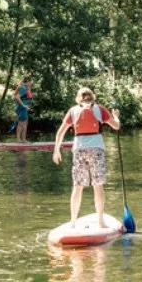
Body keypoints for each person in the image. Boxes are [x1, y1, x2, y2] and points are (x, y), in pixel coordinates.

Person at [52, 85, 121, 227]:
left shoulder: (73, 111)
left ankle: (72, 223)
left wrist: (56, 150)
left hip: (79, 150)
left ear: (79, 99)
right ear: (93, 98)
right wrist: (116, 117)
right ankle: (101, 222)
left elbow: (60, 132)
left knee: (77, 186)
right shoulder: (100, 110)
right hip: (96, 150)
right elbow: (116, 126)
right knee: (98, 185)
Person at [13, 76, 33, 143]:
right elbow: (17, 97)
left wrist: (33, 95)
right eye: (29, 82)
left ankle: (23, 140)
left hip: (23, 108)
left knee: (25, 123)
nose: (30, 83)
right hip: (21, 108)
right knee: (21, 124)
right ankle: (19, 140)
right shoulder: (23, 88)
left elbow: (24, 97)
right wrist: (23, 105)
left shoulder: (25, 88)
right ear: (26, 82)